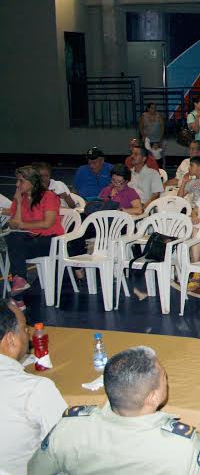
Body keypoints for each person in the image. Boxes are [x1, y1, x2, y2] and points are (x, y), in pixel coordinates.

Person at [29, 346, 200, 474]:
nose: (167, 379)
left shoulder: (68, 428)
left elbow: (35, 470)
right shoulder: (182, 447)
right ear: (152, 397)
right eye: (164, 376)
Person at [0, 297, 67, 473]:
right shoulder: (35, 389)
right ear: (11, 340)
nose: (28, 335)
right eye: (23, 329)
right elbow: (66, 447)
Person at [2, 166, 65, 304]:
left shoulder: (49, 196)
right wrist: (18, 203)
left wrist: (22, 225)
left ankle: (18, 294)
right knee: (13, 237)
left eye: (21, 181)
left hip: (50, 240)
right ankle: (19, 285)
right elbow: (13, 223)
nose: (17, 185)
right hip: (28, 240)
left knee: (15, 240)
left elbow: (47, 223)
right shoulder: (21, 198)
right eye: (17, 181)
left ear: (32, 182)